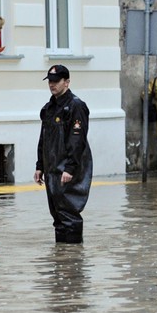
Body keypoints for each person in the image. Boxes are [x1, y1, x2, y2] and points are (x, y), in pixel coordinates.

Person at [33, 65, 93, 244]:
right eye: (50, 81)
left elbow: (77, 140)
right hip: (52, 168)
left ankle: (73, 260)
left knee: (69, 213)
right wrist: (39, 166)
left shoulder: (75, 106)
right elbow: (43, 138)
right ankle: (62, 259)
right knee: (57, 215)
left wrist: (70, 168)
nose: (52, 85)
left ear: (66, 82)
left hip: (67, 169)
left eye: (56, 81)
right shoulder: (49, 107)